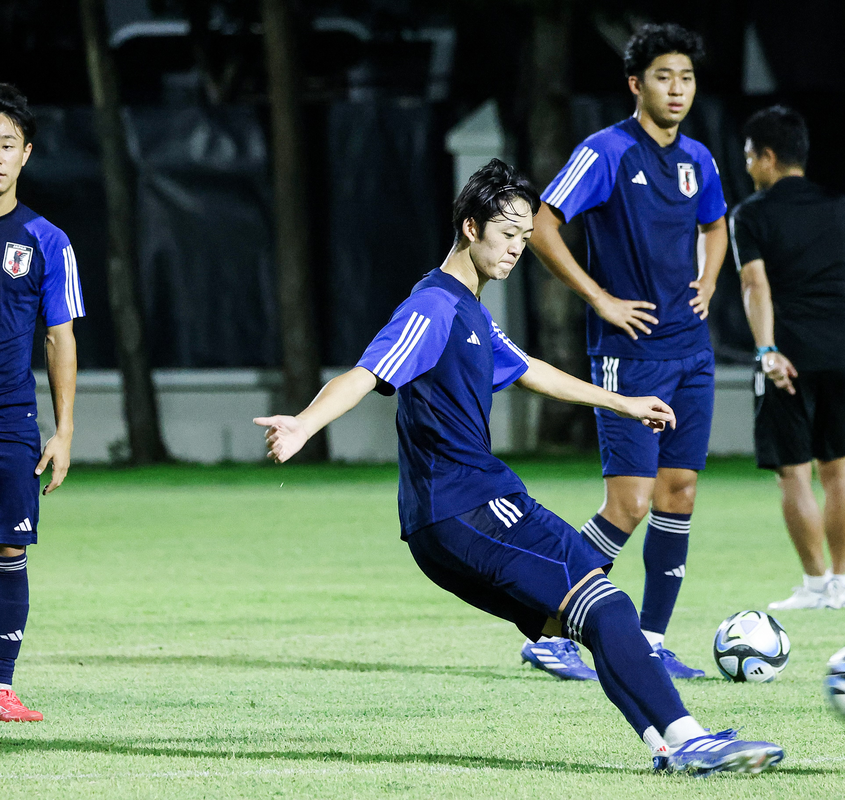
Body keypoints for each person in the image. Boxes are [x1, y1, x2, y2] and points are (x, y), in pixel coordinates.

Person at [253, 160, 784, 774]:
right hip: (468, 506)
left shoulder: (471, 311)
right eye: (507, 234)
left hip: (448, 519)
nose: (516, 249)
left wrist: (623, 402)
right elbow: (366, 373)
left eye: (526, 238)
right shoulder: (433, 307)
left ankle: (666, 746)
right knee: (608, 605)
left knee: (590, 618)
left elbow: (530, 369)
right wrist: (304, 423)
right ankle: (688, 739)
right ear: (471, 228)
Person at [525, 23, 726, 680]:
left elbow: (717, 223)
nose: (677, 89)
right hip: (629, 355)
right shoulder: (605, 151)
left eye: (686, 77)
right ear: (637, 84)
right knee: (629, 504)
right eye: (664, 77)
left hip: (691, 351)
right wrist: (600, 298)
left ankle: (651, 643)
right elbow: (541, 223)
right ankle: (548, 631)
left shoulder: (699, 159)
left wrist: (710, 279)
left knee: (679, 492)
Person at [731, 105, 845, 610]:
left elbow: (755, 284)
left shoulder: (751, 214)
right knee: (838, 470)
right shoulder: (841, 207)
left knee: (794, 473)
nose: (747, 168)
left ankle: (816, 584)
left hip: (786, 359)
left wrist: (766, 350)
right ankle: (840, 585)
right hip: (835, 355)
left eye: (749, 157)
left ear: (768, 156)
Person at [0, 84, 85, 721]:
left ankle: (0, 686)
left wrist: (64, 430)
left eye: (6, 144)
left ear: (25, 153)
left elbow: (60, 337)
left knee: (8, 549)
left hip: (11, 421)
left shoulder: (47, 240)